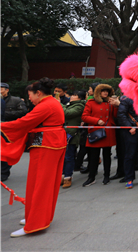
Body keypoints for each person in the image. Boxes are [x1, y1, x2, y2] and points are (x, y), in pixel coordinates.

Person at [0, 78, 67, 237]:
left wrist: (1, 126)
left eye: (30, 95)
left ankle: (35, 222)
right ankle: (36, 216)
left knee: (40, 184)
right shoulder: (50, 102)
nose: (29, 98)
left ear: (38, 93)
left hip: (47, 145)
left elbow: (23, 123)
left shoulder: (46, 105)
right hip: (51, 143)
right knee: (43, 184)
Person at [81, 84, 120, 186]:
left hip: (108, 132)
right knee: (94, 156)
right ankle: (91, 177)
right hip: (96, 131)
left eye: (107, 91)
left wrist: (116, 105)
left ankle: (106, 176)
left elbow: (116, 116)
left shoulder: (110, 102)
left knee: (107, 155)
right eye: (103, 91)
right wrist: (97, 121)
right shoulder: (91, 102)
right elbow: (84, 116)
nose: (105, 93)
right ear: (98, 92)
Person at [117, 94, 138, 189]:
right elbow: (121, 114)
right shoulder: (126, 98)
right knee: (130, 154)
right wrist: (130, 127)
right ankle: (129, 178)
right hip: (131, 130)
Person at [1, 82, 28, 182]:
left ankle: (4, 172)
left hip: (10, 129)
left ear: (7, 90)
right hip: (2, 127)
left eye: (1, 88)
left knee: (6, 151)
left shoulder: (16, 100)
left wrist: (5, 114)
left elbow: (23, 112)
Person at [61, 90, 87, 188]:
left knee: (69, 157)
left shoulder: (80, 106)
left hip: (72, 135)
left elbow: (67, 113)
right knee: (63, 157)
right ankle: (62, 176)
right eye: (72, 94)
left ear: (80, 98)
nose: (72, 96)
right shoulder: (68, 104)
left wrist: (59, 104)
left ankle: (68, 177)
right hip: (63, 134)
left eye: (75, 95)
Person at [76, 82, 101, 174]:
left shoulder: (98, 101)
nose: (89, 91)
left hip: (94, 128)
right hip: (87, 127)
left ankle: (92, 168)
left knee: (92, 150)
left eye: (90, 89)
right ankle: (90, 167)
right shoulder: (89, 100)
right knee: (87, 149)